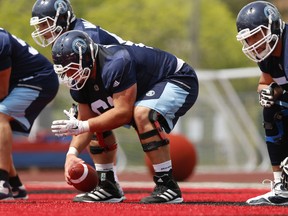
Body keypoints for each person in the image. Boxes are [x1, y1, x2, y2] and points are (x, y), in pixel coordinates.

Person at [50, 30, 199, 203]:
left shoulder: (115, 62)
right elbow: (86, 121)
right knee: (96, 120)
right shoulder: (80, 80)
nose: (70, 76)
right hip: (143, 88)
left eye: (73, 69)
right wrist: (71, 154)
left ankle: (167, 185)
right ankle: (108, 185)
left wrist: (83, 126)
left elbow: (122, 113)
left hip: (177, 77)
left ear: (88, 58)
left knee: (142, 114)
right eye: (65, 72)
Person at [30, 0, 133, 201]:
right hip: (106, 83)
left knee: (88, 121)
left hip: (124, 81)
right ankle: (109, 182)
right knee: (87, 122)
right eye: (39, 25)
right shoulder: (66, 38)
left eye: (45, 23)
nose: (42, 30)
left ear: (62, 18)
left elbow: (101, 69)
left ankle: (111, 182)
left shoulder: (84, 38)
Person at [236, 1, 288, 205]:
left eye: (256, 34)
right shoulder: (267, 53)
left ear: (273, 26)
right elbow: (264, 82)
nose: (253, 42)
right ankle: (281, 187)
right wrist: (269, 92)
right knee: (271, 110)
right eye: (248, 38)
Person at [0, 28, 59, 200]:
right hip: (20, 82)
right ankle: (15, 186)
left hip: (39, 79)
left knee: (0, 117)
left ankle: (2, 184)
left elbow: (2, 91)